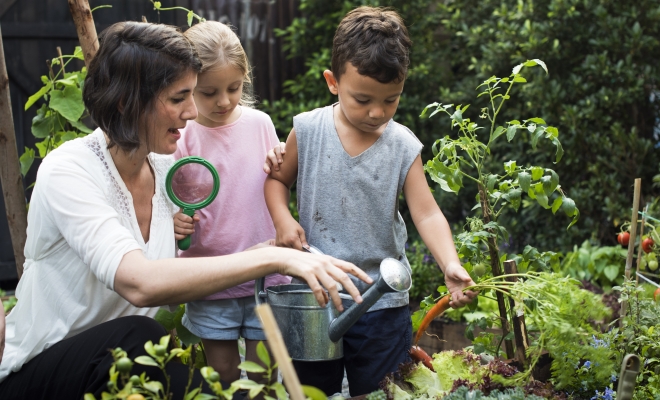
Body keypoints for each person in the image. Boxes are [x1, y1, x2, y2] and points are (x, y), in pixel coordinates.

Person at [0, 21, 370, 400]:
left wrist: (272, 254)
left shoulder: (168, 172)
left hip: (114, 377)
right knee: (140, 336)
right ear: (128, 101)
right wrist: (272, 260)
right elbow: (140, 282)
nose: (194, 112)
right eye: (179, 99)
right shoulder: (71, 169)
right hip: (37, 376)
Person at [264, 6, 477, 396]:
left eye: (390, 100)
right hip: (316, 296)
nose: (377, 113)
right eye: (362, 99)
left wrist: (450, 263)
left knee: (382, 390)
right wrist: (282, 218)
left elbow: (426, 212)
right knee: (310, 391)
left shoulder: (402, 144)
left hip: (382, 302)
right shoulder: (308, 129)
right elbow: (277, 180)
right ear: (333, 82)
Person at [171, 20, 291, 385]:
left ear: (245, 79)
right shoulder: (179, 136)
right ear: (188, 84)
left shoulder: (260, 123)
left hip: (264, 275)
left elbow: (277, 180)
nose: (223, 101)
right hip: (209, 279)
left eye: (234, 88)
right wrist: (173, 221)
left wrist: (284, 159)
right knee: (223, 373)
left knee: (265, 377)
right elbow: (166, 201)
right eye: (208, 92)